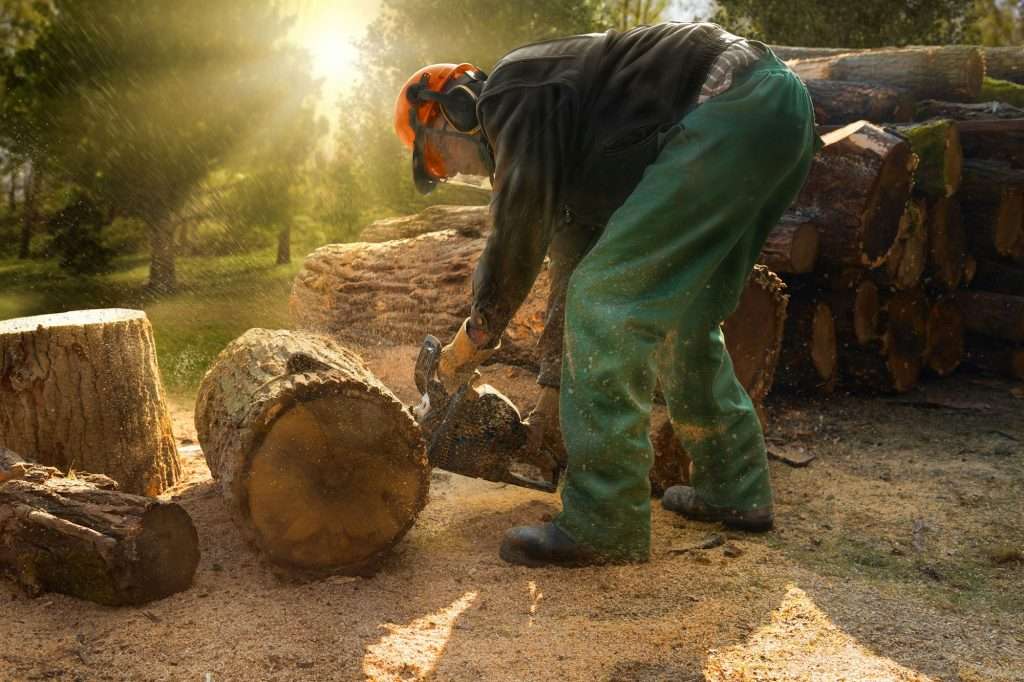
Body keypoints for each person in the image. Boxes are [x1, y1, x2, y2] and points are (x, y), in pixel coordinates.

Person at [393, 22, 819, 568]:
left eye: (439, 158)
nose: (454, 170)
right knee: (684, 320)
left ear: (452, 107)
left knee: (609, 299)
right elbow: (569, 266)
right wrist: (551, 387)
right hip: (778, 113)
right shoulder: (573, 138)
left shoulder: (511, 92)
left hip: (726, 110)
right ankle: (735, 488)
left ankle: (605, 518)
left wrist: (479, 332)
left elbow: (518, 228)